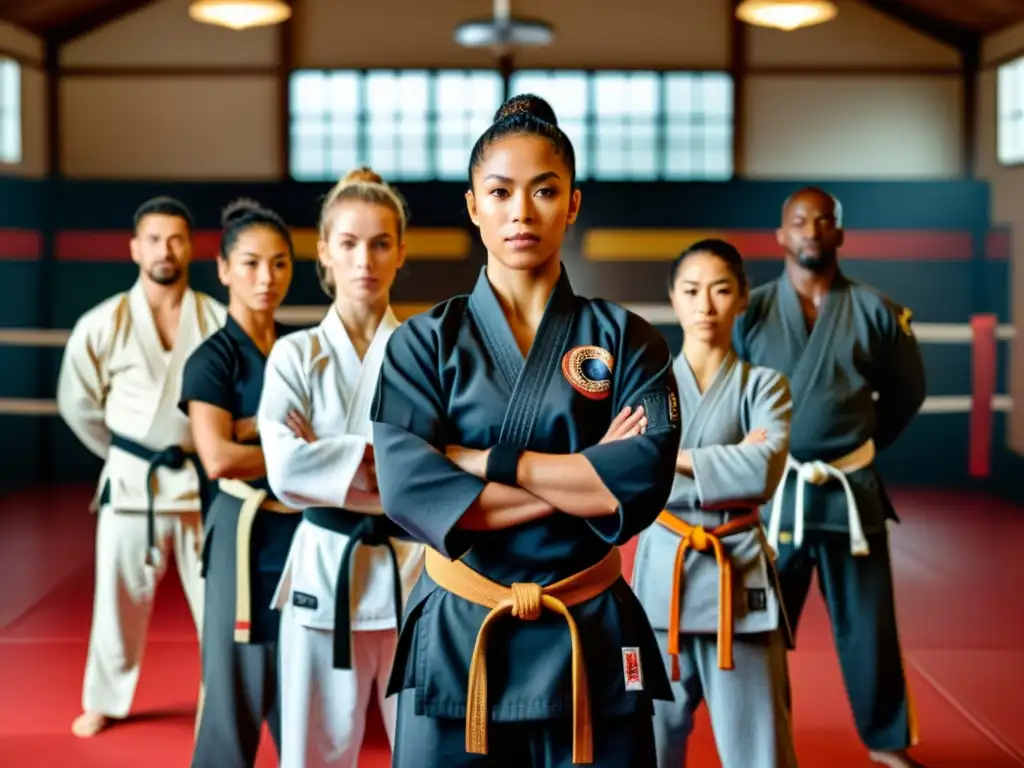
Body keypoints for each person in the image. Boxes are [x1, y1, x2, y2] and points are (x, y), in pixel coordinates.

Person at [370, 94, 682, 768]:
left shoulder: (630, 341)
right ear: (472, 205)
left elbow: (640, 487)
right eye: (500, 191)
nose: (521, 211)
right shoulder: (423, 344)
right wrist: (587, 472)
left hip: (587, 629)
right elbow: (409, 494)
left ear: (572, 204)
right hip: (462, 630)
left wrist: (486, 462)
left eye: (544, 191)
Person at [732, 187, 927, 768]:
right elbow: (733, 395)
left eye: (824, 221)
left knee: (870, 627)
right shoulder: (753, 311)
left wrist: (859, 449)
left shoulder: (878, 312)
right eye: (799, 221)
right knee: (761, 627)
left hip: (850, 492)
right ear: (781, 235)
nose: (811, 230)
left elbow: (906, 395)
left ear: (839, 234)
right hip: (774, 494)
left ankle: (886, 740)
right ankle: (764, 739)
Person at [257, 167, 425, 768]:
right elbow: (284, 469)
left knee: (429, 749)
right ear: (324, 250)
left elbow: (437, 470)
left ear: (401, 251)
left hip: (412, 571)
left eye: (381, 243)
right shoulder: (294, 354)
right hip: (325, 567)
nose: (365, 260)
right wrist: (382, 458)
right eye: (349, 244)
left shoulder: (424, 352)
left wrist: (329, 451)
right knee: (313, 752)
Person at [56, 196, 227, 738]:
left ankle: (218, 697)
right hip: (133, 482)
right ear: (135, 248)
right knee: (117, 598)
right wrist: (121, 453)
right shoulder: (102, 322)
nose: (164, 249)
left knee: (218, 604)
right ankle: (104, 699)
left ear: (191, 247)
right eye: (153, 239)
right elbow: (76, 403)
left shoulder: (218, 319)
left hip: (203, 481)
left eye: (175, 238)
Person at [632, 239, 797, 768]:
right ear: (673, 300)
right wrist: (722, 460)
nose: (706, 305)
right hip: (663, 578)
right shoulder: (646, 387)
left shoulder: (766, 387)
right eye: (691, 291)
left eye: (721, 290)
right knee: (644, 742)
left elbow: (764, 470)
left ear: (743, 298)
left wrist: (669, 456)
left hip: (737, 577)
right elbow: (627, 470)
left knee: (760, 750)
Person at [178, 199, 297, 767]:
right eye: (250, 264)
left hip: (306, 531)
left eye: (278, 263)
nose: (265, 278)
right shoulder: (212, 358)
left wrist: (255, 432)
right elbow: (218, 456)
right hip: (241, 537)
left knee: (309, 688)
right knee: (234, 684)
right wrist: (295, 448)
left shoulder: (303, 350)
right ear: (223, 269)